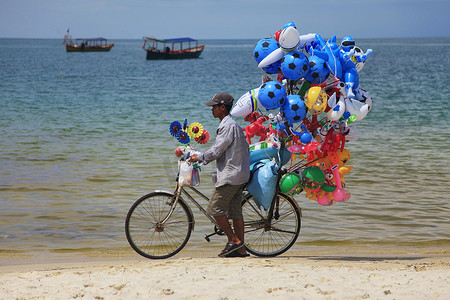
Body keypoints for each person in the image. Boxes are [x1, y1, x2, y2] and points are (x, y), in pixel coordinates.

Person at [190, 92, 250, 257]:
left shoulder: (227, 126)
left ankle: (233, 240)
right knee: (235, 213)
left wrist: (199, 157)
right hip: (240, 174)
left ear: (222, 108)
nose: (212, 110)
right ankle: (241, 250)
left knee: (213, 209)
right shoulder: (233, 124)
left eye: (214, 107)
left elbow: (217, 150)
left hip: (231, 175)